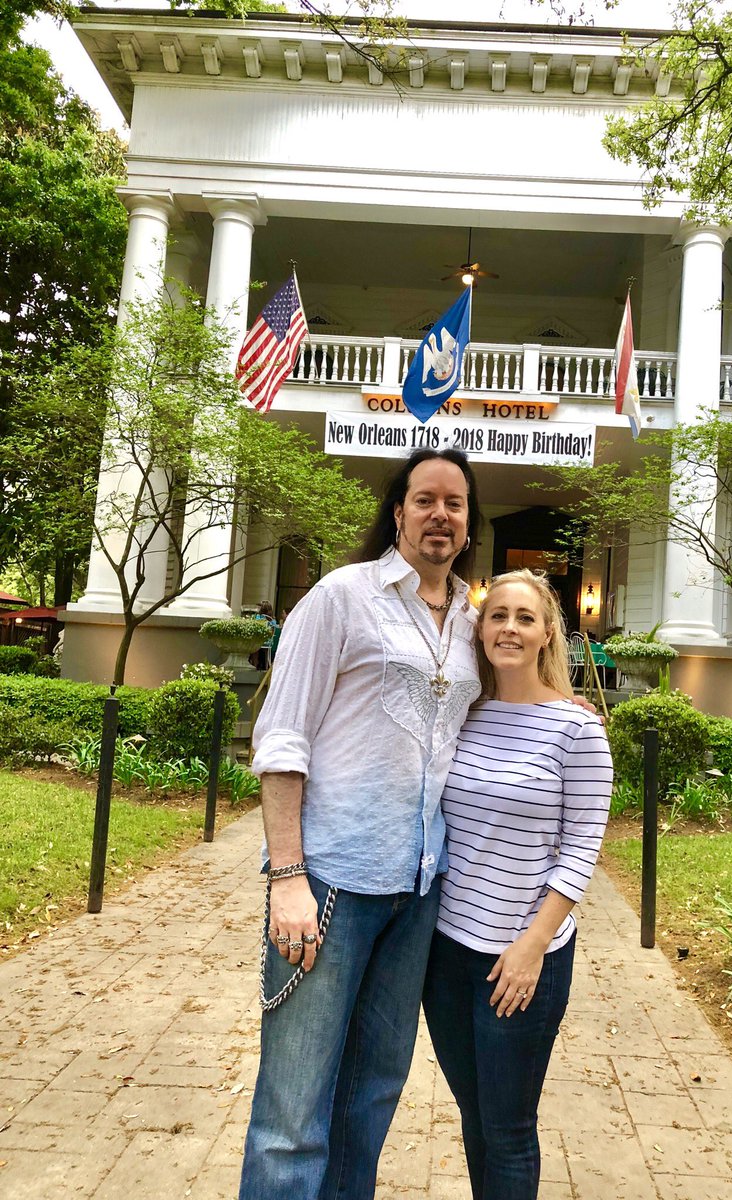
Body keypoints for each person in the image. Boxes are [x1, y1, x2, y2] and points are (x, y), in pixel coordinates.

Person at [239, 447, 484, 1200]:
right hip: (332, 884)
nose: (440, 514)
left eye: (455, 502)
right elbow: (282, 737)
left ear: (469, 522)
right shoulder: (343, 597)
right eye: (425, 500)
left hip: (418, 891)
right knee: (294, 1106)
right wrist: (288, 877)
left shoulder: (472, 620)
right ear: (399, 510)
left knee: (373, 1092)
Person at [423, 569, 613, 1200]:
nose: (508, 627)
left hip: (522, 960)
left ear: (547, 633)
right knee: (474, 1116)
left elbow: (582, 850)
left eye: (524, 618)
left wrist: (531, 946)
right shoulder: (462, 715)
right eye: (497, 614)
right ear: (479, 629)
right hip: (447, 954)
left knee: (507, 1129)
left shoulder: (577, 730)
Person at [252, 601, 278, 671]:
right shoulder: (272, 619)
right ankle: (266, 665)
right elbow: (272, 631)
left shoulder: (258, 617)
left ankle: (255, 665)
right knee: (264, 650)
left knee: (254, 648)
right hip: (268, 642)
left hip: (260, 641)